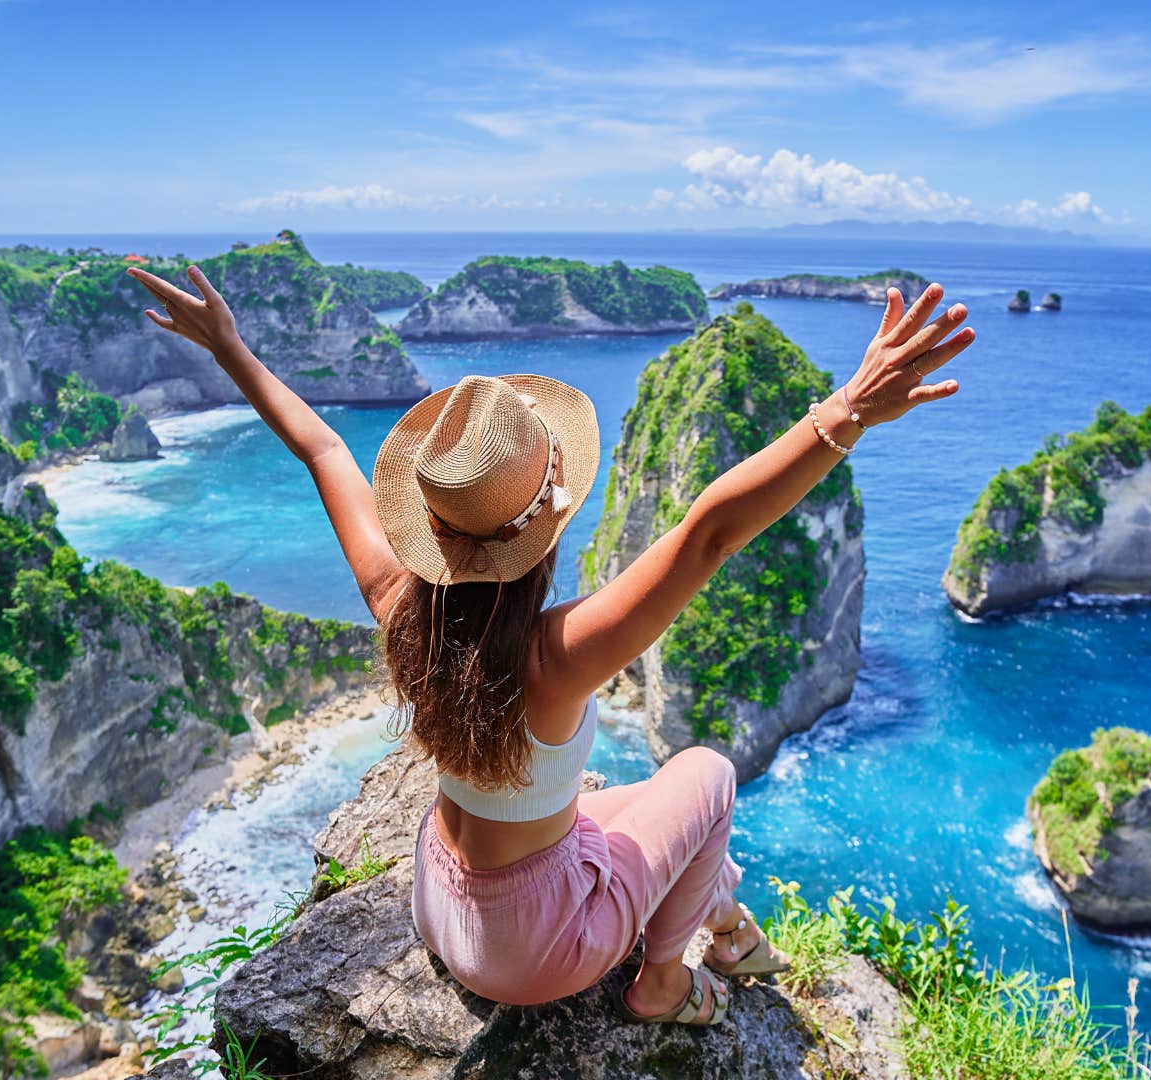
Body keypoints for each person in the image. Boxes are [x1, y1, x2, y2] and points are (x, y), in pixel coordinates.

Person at [127, 262, 973, 1025]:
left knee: (638, 816)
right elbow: (711, 532)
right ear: (546, 530)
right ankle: (667, 985)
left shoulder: (399, 606)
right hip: (536, 955)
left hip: (441, 903)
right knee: (707, 774)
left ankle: (727, 918)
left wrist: (228, 347)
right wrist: (849, 407)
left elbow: (320, 449)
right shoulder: (557, 657)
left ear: (430, 527)